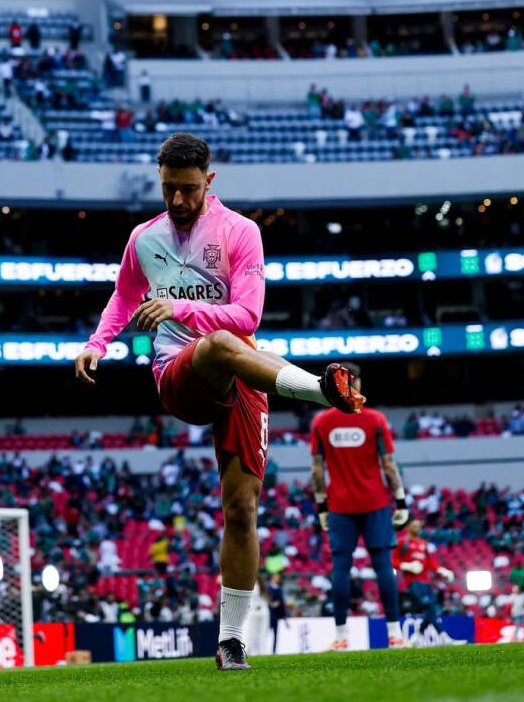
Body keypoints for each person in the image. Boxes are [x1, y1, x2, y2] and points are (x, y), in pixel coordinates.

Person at [75, 132, 363, 671]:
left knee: (242, 509)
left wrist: (180, 306)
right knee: (217, 345)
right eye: (169, 190)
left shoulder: (240, 232)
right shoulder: (143, 239)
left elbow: (248, 316)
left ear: (209, 181)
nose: (178, 201)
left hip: (240, 369)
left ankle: (231, 641)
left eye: (188, 190)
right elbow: (123, 294)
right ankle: (321, 391)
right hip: (178, 374)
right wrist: (97, 344)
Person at [310, 365, 409, 651]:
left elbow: (317, 471)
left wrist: (322, 508)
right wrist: (401, 501)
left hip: (339, 506)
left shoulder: (321, 422)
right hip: (375, 503)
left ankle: (341, 637)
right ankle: (395, 634)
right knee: (383, 568)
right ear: (358, 384)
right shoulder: (375, 420)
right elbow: (388, 465)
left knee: (341, 569)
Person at [392, 518, 463, 646]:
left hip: (426, 581)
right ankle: (444, 637)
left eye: (419, 526)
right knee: (429, 607)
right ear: (408, 527)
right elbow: (392, 561)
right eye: (414, 525)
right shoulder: (402, 542)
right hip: (413, 582)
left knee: (430, 609)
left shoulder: (423, 543)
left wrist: (442, 570)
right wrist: (406, 566)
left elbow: (430, 562)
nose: (417, 528)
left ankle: (416, 637)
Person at [266, 571, 287, 653]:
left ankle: (274, 650)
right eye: (276, 576)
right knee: (266, 632)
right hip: (268, 614)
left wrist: (283, 616)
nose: (278, 578)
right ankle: (264, 649)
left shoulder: (279, 589)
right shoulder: (267, 587)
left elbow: (281, 603)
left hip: (275, 615)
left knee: (275, 633)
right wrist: (271, 604)